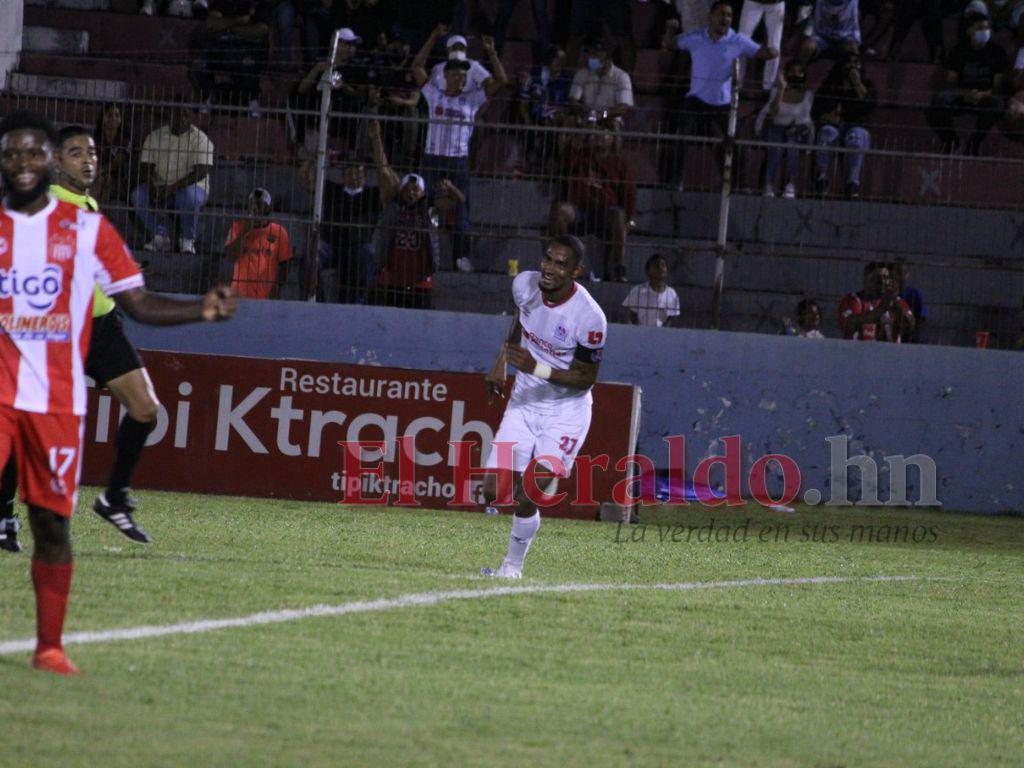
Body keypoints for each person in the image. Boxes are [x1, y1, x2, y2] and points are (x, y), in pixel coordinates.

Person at [0, 110, 236, 674]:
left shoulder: (87, 229)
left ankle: (49, 646)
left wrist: (199, 310)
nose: (27, 163)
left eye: (36, 152)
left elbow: (137, 302)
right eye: (16, 154)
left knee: (52, 523)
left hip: (58, 400)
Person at [0, 125, 164, 552]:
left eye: (91, 152)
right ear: (55, 162)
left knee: (146, 410)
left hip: (102, 326)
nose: (87, 159)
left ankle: (114, 497)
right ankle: (3, 515)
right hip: (53, 334)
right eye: (75, 153)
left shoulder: (86, 205)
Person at [481, 236, 607, 579]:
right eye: (547, 259)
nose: (549, 268)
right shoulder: (525, 285)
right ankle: (542, 472)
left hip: (565, 412)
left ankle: (512, 567)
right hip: (524, 402)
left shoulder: (590, 318)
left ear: (576, 271)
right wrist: (501, 360)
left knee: (528, 494)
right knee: (491, 491)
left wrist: (535, 366)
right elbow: (522, 323)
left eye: (560, 264)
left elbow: (586, 378)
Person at [412, 23, 507, 272]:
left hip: (458, 160)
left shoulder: (472, 99)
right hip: (432, 157)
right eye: (454, 73)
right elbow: (416, 67)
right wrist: (433, 36)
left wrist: (492, 53)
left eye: (463, 75)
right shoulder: (435, 95)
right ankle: (420, 252)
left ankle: (461, 256)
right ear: (445, 75)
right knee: (423, 204)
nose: (460, 77)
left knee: (462, 210)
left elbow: (502, 80)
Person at [664, 0, 778, 188]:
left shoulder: (738, 40)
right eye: (721, 14)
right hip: (696, 99)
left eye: (729, 15)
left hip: (723, 103)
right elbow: (670, 44)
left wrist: (771, 46)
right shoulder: (696, 37)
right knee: (681, 139)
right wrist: (670, 28)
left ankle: (738, 186)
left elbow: (764, 53)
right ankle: (675, 182)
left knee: (735, 144)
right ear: (711, 17)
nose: (725, 19)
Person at [550, 118, 637, 281]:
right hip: (579, 210)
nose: (598, 136)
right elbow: (564, 163)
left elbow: (629, 192)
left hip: (604, 213)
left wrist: (631, 218)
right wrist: (582, 135)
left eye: (604, 133)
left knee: (618, 215)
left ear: (612, 139)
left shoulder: (618, 163)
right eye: (595, 132)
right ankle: (564, 261)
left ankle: (617, 267)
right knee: (560, 210)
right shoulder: (580, 156)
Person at [368, 120, 441, 309]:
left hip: (420, 280)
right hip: (391, 276)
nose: (411, 193)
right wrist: (376, 138)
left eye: (416, 190)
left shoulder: (428, 211)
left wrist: (449, 187)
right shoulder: (393, 206)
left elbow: (458, 200)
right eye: (407, 190)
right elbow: (383, 169)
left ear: (423, 193)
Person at [130, 101, 214, 255]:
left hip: (191, 187)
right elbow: (144, 166)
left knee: (189, 197)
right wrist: (152, 184)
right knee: (138, 196)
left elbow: (201, 171)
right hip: (161, 186)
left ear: (191, 117)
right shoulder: (155, 136)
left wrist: (173, 188)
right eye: (177, 114)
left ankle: (187, 239)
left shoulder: (201, 139)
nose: (181, 118)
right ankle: (160, 235)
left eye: (186, 115)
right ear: (169, 115)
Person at [925, 12, 1010, 155]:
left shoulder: (997, 52)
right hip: (962, 95)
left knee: (997, 104)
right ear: (969, 30)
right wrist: (965, 94)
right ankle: (951, 142)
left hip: (986, 97)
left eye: (987, 28)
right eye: (980, 28)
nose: (985, 31)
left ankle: (974, 143)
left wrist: (982, 94)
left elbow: (997, 87)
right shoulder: (959, 51)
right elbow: (951, 83)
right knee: (937, 102)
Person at [812, 51, 877, 198]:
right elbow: (816, 111)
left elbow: (869, 105)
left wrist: (856, 82)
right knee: (827, 132)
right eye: (849, 64)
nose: (852, 67)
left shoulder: (867, 85)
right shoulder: (830, 86)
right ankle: (822, 178)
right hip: (834, 127)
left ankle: (852, 183)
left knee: (856, 136)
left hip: (856, 126)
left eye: (855, 64)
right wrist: (826, 116)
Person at [321, 161, 380, 304]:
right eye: (349, 174)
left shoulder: (372, 194)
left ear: (364, 177)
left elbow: (391, 185)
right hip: (332, 245)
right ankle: (314, 298)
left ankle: (357, 303)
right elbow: (307, 179)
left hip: (358, 245)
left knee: (367, 253)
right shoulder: (332, 190)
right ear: (343, 177)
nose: (353, 177)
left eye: (358, 174)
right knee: (315, 252)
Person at [756, 61, 814, 198]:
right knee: (776, 146)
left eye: (799, 72)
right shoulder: (777, 91)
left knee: (792, 145)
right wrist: (781, 89)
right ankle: (768, 185)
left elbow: (806, 118)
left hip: (799, 130)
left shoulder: (808, 95)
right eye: (792, 71)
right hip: (777, 127)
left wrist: (796, 127)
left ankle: (790, 184)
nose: (795, 74)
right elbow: (773, 113)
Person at [225, 187, 293, 299]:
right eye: (252, 204)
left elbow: (285, 265)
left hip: (265, 297)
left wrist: (276, 289)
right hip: (239, 295)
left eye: (259, 205)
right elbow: (231, 257)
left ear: (268, 209)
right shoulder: (237, 227)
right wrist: (244, 232)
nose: (255, 208)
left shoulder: (279, 232)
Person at [839, 261, 915, 342]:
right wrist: (883, 308)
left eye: (885, 277)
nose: (882, 281)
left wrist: (893, 302)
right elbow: (850, 323)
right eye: (877, 278)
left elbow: (910, 326)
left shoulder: (897, 301)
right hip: (859, 351)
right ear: (865, 279)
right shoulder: (853, 299)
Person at [567, 39, 634, 120]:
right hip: (586, 117)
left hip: (610, 119)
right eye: (591, 54)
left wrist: (603, 115)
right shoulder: (581, 74)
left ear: (608, 59)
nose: (591, 59)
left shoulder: (622, 76)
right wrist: (587, 113)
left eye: (596, 56)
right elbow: (573, 100)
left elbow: (623, 107)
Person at [739, 0, 786, 91]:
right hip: (753, 2)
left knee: (775, 46)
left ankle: (768, 87)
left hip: (775, 4)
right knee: (741, 43)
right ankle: (737, 83)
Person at [623, 255, 682, 327]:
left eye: (663, 265)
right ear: (648, 271)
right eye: (656, 266)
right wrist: (638, 330)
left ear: (667, 271)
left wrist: (663, 332)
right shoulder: (638, 291)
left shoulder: (672, 294)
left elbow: (671, 318)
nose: (660, 268)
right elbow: (632, 314)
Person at [92, 103, 132, 205]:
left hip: (119, 181)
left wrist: (99, 172)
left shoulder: (125, 140)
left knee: (106, 179)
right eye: (109, 115)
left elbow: (116, 164)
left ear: (121, 119)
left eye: (117, 115)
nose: (113, 118)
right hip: (97, 177)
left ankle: (92, 212)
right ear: (103, 117)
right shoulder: (96, 138)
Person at [894, 258, 927, 343]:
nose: (898, 276)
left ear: (907, 274)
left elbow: (922, 319)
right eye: (895, 272)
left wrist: (913, 336)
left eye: (901, 272)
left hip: (909, 338)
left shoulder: (915, 293)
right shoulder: (885, 294)